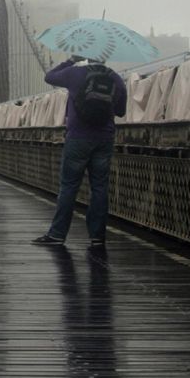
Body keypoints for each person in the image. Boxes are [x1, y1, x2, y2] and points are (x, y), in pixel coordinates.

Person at [32, 55, 127, 247]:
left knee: (69, 186)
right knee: (99, 187)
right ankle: (97, 237)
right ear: (106, 56)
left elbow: (49, 77)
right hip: (104, 139)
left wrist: (71, 60)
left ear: (88, 56)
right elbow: (120, 111)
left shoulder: (74, 73)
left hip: (77, 138)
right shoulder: (116, 78)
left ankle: (57, 235)